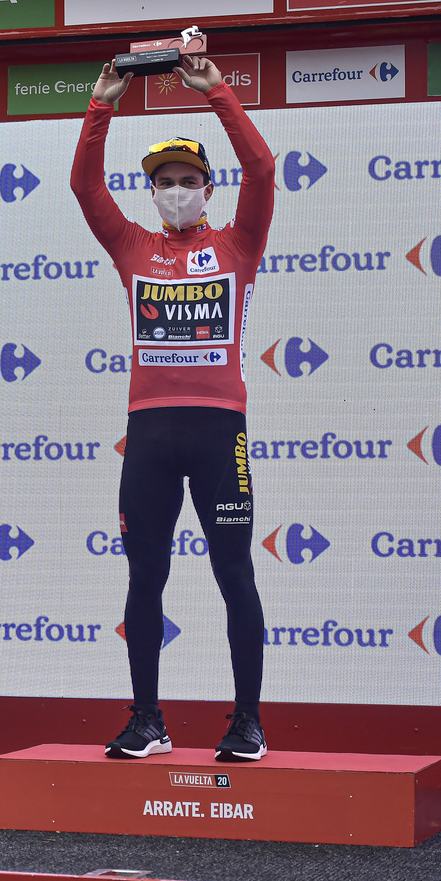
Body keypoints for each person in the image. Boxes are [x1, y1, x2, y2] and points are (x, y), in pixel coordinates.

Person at [70, 56, 275, 762]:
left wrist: (216, 91)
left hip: (220, 432)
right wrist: (102, 104)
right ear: (151, 192)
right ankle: (147, 720)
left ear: (209, 189)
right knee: (145, 576)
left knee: (234, 574)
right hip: (150, 434)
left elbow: (262, 170)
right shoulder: (133, 246)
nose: (177, 191)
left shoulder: (238, 243)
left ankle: (247, 722)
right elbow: (84, 186)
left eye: (189, 181)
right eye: (165, 182)